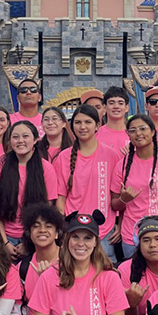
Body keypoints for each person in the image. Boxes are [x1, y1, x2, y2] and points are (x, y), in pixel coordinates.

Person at [54, 105, 122, 262]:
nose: (82, 127)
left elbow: (117, 196)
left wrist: (119, 224)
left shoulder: (111, 155)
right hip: (75, 230)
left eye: (88, 122)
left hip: (105, 231)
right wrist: (64, 227)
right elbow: (60, 198)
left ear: (97, 125)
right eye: (77, 122)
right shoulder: (63, 157)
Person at [111, 114, 158, 258]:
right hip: (131, 235)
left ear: (153, 132)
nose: (138, 134)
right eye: (133, 130)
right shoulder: (122, 165)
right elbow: (115, 204)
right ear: (128, 135)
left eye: (143, 129)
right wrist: (124, 199)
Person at [0, 121, 58, 258]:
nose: (20, 141)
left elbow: (47, 208)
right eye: (15, 137)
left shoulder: (46, 168)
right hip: (5, 237)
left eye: (25, 136)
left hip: (33, 238)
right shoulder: (1, 166)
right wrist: (4, 243)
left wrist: (28, 243)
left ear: (35, 139)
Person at [97, 86, 130, 153]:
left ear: (126, 108)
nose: (116, 106)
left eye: (120, 103)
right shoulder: (96, 134)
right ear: (105, 107)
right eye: (111, 103)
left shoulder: (134, 134)